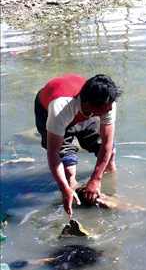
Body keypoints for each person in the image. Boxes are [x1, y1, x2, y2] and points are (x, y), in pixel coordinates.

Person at [34, 74, 122, 216]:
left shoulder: (107, 101)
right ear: (90, 105)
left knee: (110, 155)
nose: (111, 109)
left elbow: (107, 143)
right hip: (51, 108)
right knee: (68, 169)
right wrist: (64, 188)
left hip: (84, 109)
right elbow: (53, 153)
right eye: (107, 107)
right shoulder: (60, 108)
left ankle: (110, 193)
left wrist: (96, 179)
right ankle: (74, 197)